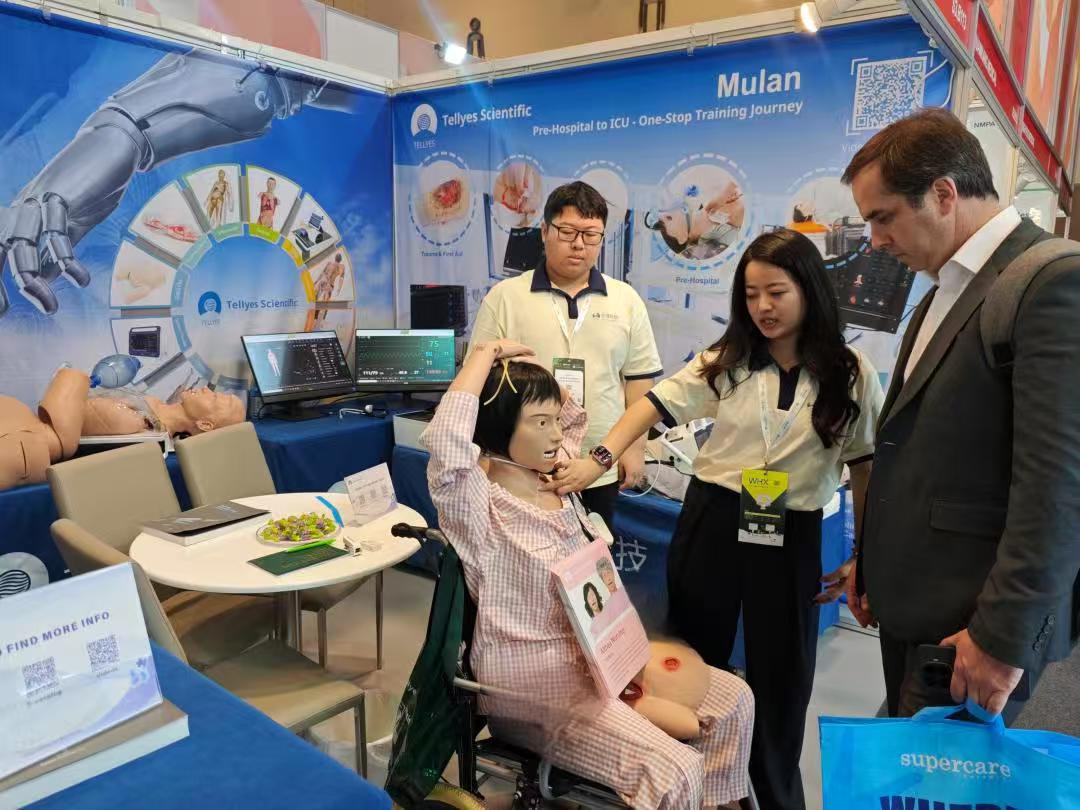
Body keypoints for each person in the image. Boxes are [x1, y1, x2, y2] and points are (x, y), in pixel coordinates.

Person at [547, 229, 884, 810]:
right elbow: (651, 406)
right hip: (715, 518)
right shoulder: (729, 361)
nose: (763, 307)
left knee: (783, 674)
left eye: (776, 292)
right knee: (689, 661)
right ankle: (691, 786)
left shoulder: (849, 372)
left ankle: (773, 795)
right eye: (751, 295)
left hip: (791, 529)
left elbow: (865, 463)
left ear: (809, 289)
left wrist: (865, 553)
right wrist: (598, 459)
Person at [422, 338, 754, 809]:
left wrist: (531, 373)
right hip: (537, 691)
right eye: (540, 422)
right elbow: (446, 444)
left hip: (604, 663)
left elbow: (573, 414)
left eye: (554, 421)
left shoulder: (559, 481)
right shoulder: (479, 508)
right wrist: (485, 356)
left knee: (736, 699)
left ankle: (710, 802)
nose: (556, 434)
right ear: (497, 429)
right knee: (677, 770)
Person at [840, 108, 1080, 720]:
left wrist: (1002, 639)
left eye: (884, 216)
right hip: (917, 611)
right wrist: (872, 565)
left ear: (944, 194)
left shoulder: (1050, 281)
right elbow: (916, 451)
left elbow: (1058, 487)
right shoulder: (943, 293)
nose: (875, 240)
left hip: (972, 631)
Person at [469, 181, 663, 532]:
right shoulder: (505, 297)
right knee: (524, 556)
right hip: (520, 466)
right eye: (567, 231)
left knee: (593, 555)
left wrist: (635, 448)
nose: (578, 244)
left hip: (599, 462)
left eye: (590, 235)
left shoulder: (626, 300)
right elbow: (478, 380)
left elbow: (639, 382)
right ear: (544, 231)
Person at [645, 181, 746, 261]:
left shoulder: (708, 194)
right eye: (664, 222)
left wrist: (725, 193)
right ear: (682, 239)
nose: (663, 214)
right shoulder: (723, 236)